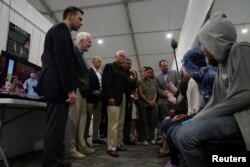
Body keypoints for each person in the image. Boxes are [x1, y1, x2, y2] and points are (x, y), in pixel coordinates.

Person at [171, 12, 250, 167]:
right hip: (232, 117)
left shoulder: (240, 49)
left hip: (243, 118)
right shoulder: (221, 66)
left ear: (216, 41)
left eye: (205, 44)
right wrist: (192, 118)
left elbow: (245, 95)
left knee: (184, 136)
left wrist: (195, 120)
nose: (203, 51)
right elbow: (215, 102)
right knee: (176, 133)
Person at [36, 6, 83, 167]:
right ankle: (51, 163)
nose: (81, 23)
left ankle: (57, 160)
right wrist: (70, 89)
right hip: (57, 86)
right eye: (79, 18)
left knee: (59, 126)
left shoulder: (60, 32)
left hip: (56, 85)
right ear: (70, 16)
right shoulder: (60, 31)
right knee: (55, 127)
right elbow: (62, 62)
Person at [64, 32, 95, 159]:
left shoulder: (81, 55)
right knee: (72, 120)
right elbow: (69, 72)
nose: (90, 45)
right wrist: (71, 90)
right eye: (89, 42)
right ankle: (70, 148)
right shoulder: (73, 52)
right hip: (75, 89)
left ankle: (81, 145)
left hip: (82, 92)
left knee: (82, 119)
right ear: (81, 40)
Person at [102, 50, 128, 157]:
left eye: (124, 56)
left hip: (122, 97)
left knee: (120, 123)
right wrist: (110, 96)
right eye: (121, 55)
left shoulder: (122, 70)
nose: (123, 57)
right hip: (113, 97)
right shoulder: (109, 66)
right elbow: (106, 82)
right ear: (115, 56)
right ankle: (111, 147)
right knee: (113, 124)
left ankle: (117, 144)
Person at [155, 60, 178, 140]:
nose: (165, 68)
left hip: (175, 99)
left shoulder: (174, 72)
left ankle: (174, 136)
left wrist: (175, 92)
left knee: (175, 118)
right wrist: (164, 93)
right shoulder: (157, 76)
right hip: (163, 101)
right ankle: (164, 138)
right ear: (160, 67)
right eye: (163, 66)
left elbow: (178, 83)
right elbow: (157, 89)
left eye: (166, 66)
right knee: (165, 119)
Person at [85, 56, 104, 144]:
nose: (100, 63)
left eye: (101, 61)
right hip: (90, 98)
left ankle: (95, 137)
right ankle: (84, 138)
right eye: (99, 61)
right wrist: (93, 91)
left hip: (99, 99)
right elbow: (86, 84)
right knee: (88, 118)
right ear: (93, 62)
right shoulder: (89, 72)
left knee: (97, 119)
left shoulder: (100, 73)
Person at [122, 58, 137, 145]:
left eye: (130, 64)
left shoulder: (130, 74)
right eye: (128, 63)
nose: (130, 65)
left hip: (129, 99)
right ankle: (122, 138)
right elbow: (125, 84)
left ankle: (126, 138)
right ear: (123, 64)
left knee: (128, 119)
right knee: (122, 120)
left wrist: (135, 79)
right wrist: (132, 79)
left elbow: (133, 87)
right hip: (122, 99)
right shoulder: (121, 73)